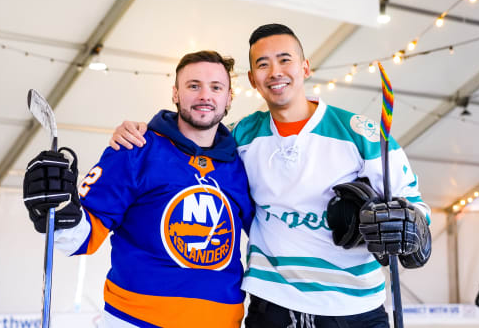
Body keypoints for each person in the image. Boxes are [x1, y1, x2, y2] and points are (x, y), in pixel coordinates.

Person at [109, 24, 432, 328]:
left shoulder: (360, 134)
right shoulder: (239, 136)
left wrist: (409, 226)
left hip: (353, 307)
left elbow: (414, 208)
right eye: (263, 64)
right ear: (252, 79)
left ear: (305, 67)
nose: (275, 72)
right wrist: (144, 131)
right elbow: (191, 140)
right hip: (271, 305)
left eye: (285, 60)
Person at [23, 50, 254, 328]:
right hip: (136, 320)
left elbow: (270, 233)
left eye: (216, 87)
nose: (205, 95)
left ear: (229, 97)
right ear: (175, 93)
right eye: (193, 86)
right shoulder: (135, 148)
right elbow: (81, 238)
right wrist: (59, 211)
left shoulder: (241, 164)